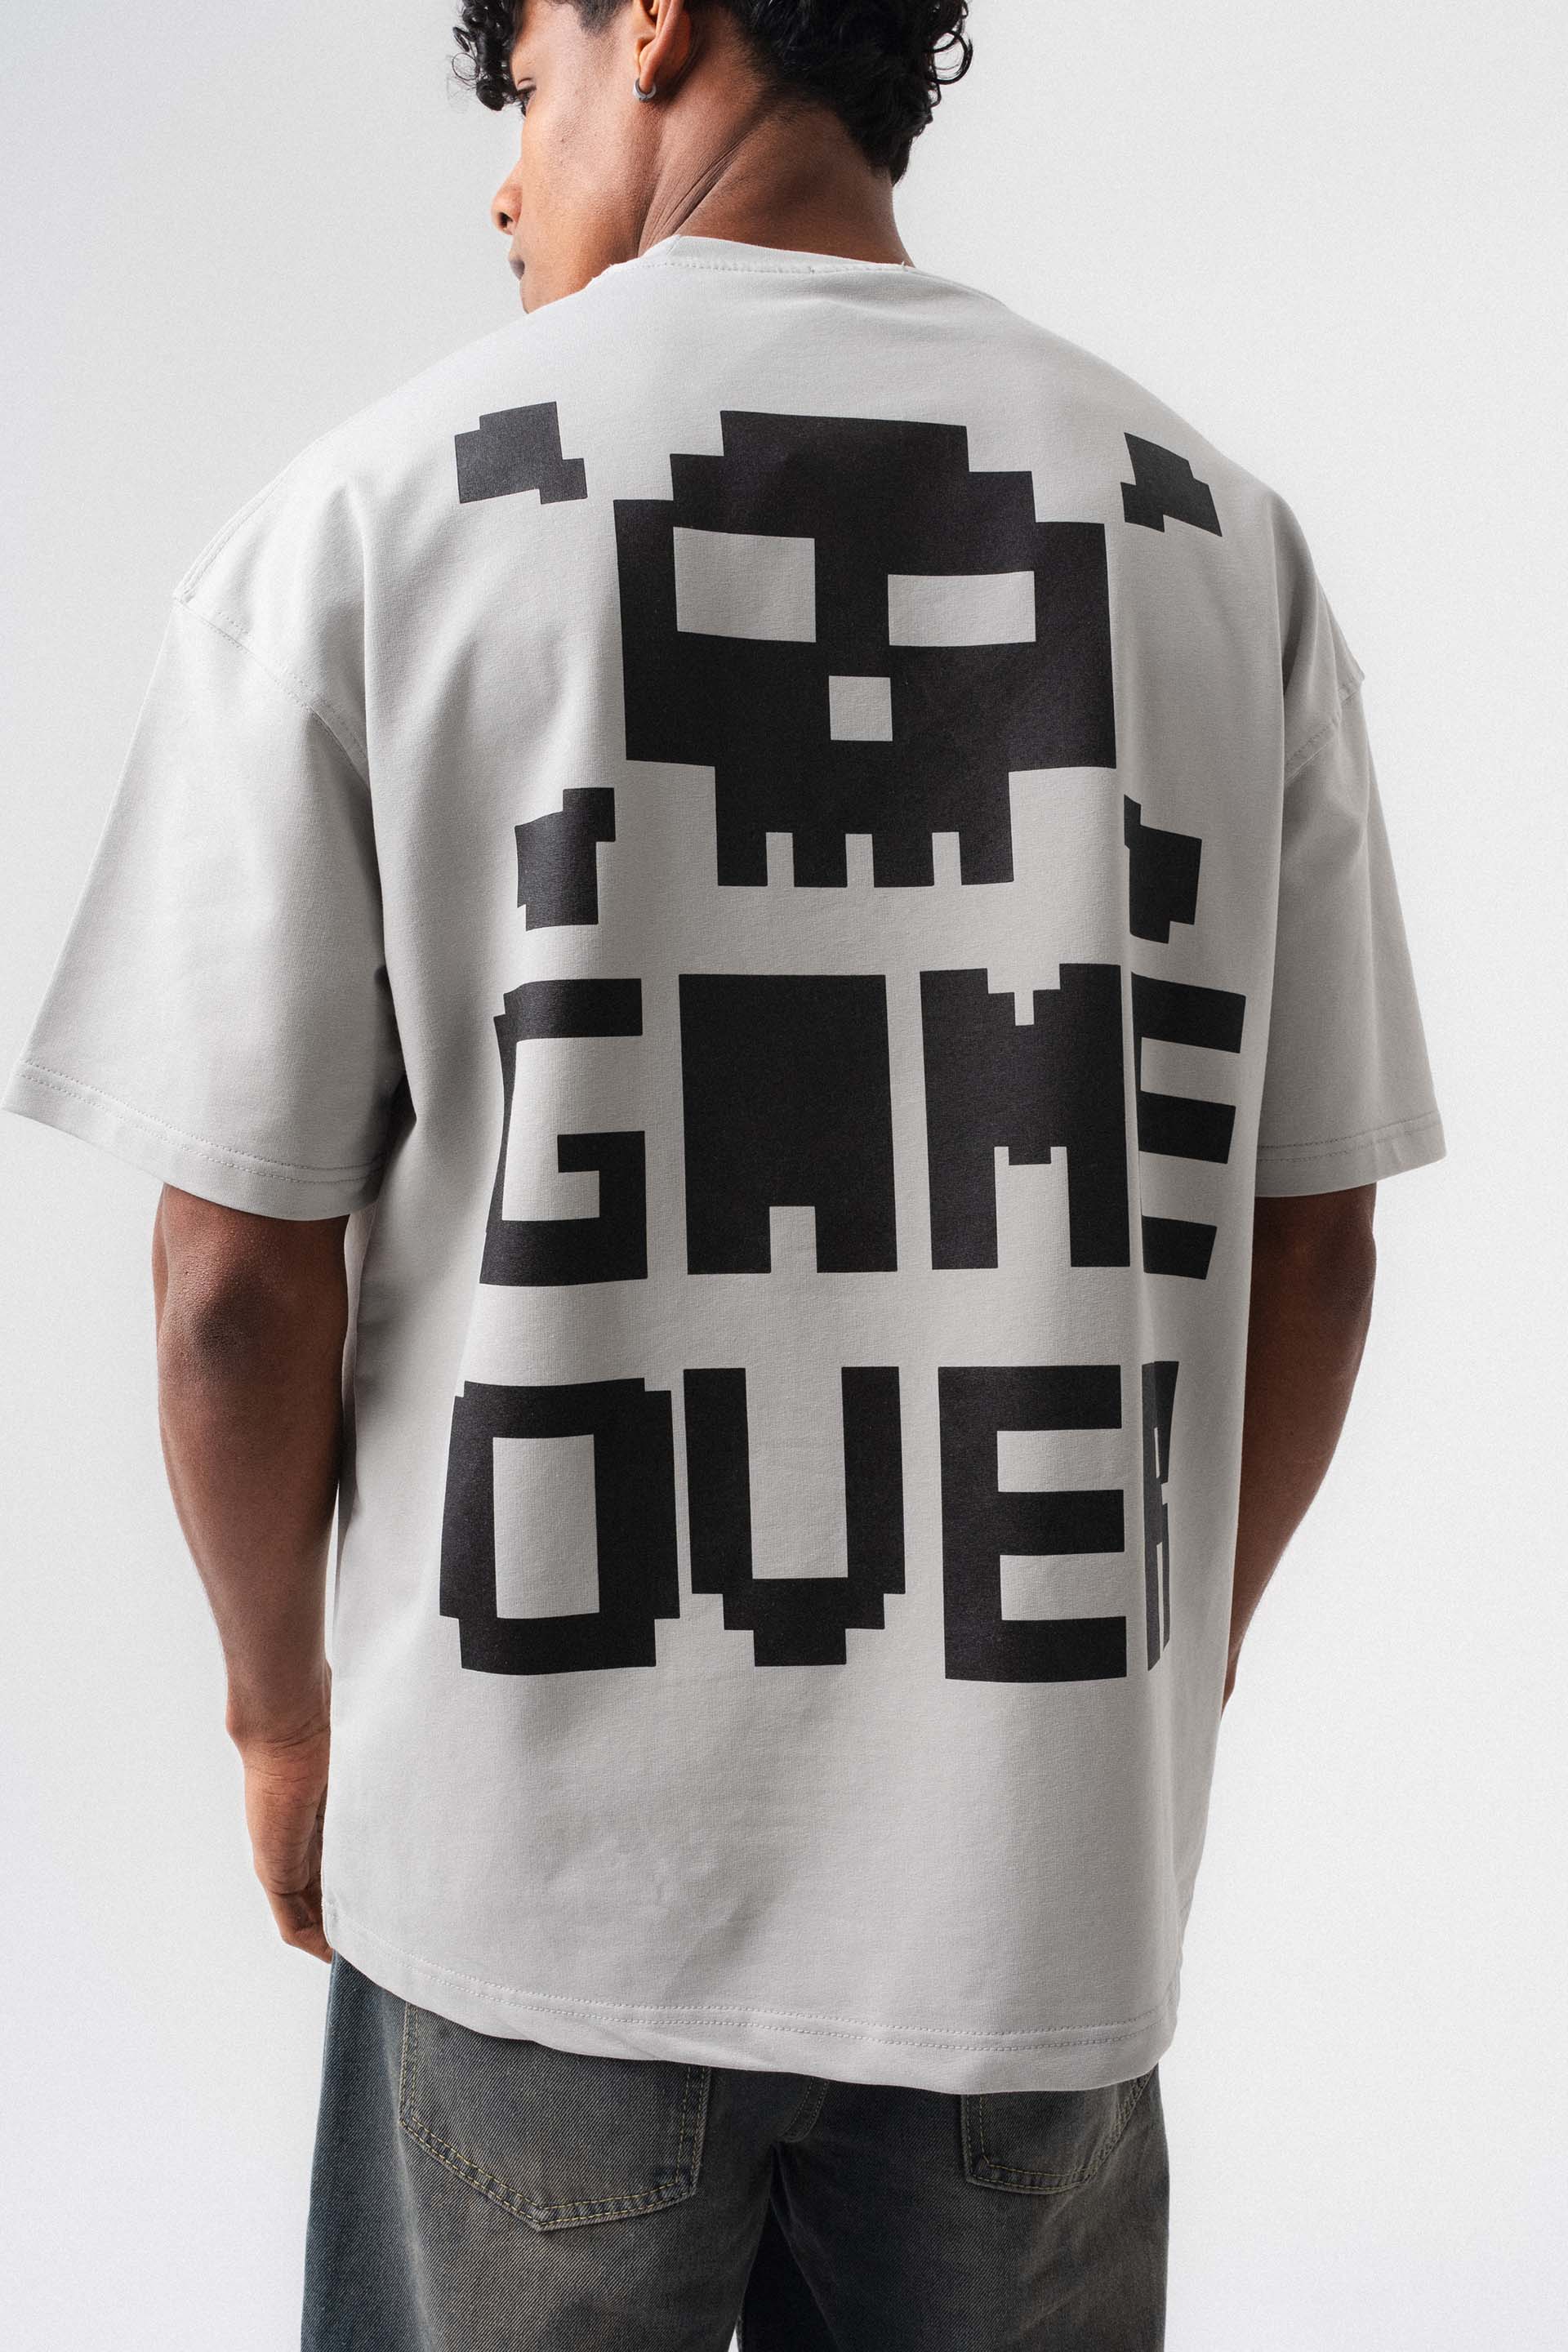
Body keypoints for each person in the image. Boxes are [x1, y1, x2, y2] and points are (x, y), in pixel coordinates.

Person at [3, 2, 1446, 2345]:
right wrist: (1153, 1692)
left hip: (534, 1885)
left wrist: (279, 1714)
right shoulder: (1215, 544)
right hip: (1024, 1899)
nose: (504, 179)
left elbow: (233, 1286)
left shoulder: (374, 521)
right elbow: (1320, 1256)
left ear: (652, 16)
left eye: (522, 82)